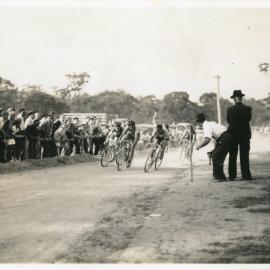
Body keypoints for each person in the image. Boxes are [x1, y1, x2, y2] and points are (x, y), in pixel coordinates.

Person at [195, 113, 236, 181]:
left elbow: (207, 140)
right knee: (215, 155)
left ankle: (220, 177)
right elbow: (216, 140)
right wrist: (214, 150)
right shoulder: (210, 123)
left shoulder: (206, 126)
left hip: (225, 138)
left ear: (198, 122)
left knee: (216, 157)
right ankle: (218, 176)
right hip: (227, 137)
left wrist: (199, 146)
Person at [227, 90, 252, 180]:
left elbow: (228, 121)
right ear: (241, 98)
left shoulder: (230, 109)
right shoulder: (248, 108)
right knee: (245, 156)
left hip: (233, 135)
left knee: (232, 155)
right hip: (245, 134)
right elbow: (248, 119)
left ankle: (232, 175)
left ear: (234, 99)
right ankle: (246, 175)